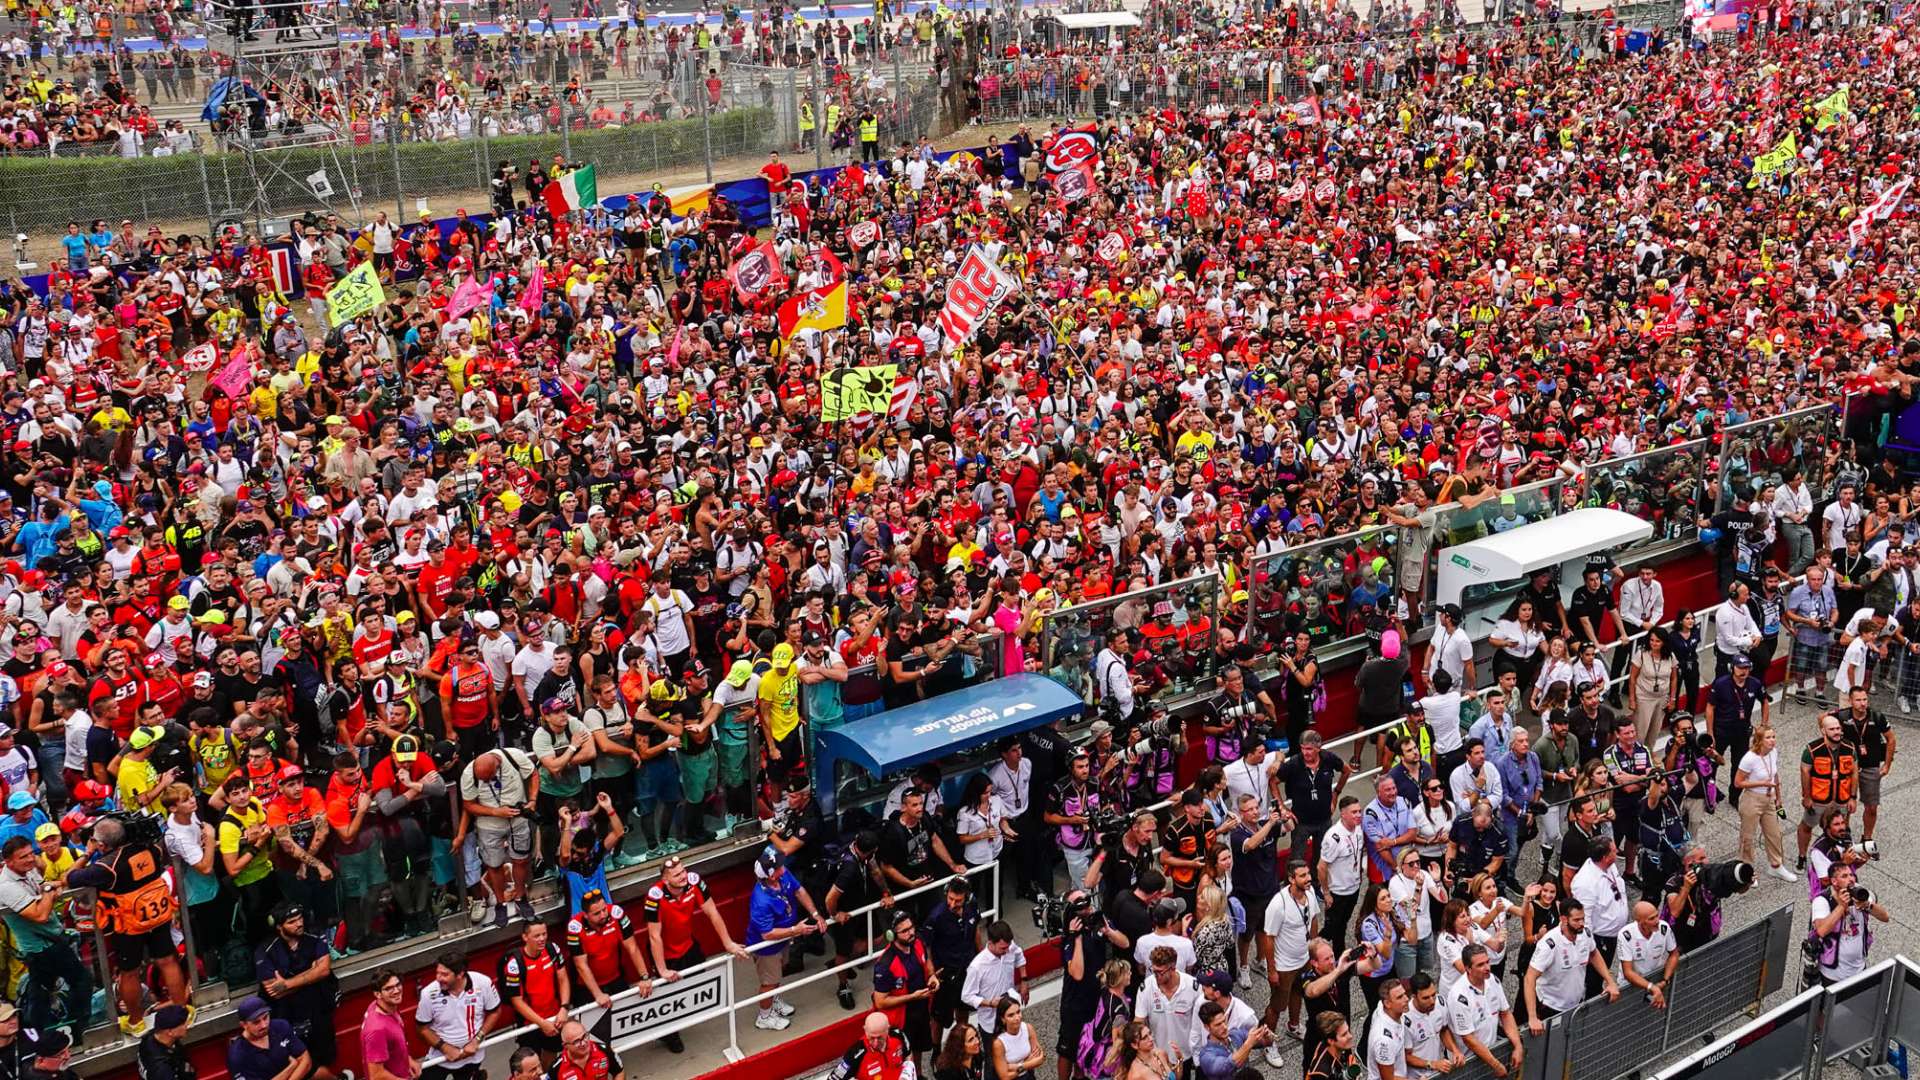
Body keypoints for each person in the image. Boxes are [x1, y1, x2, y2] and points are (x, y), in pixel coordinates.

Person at [61, 816, 189, 1034]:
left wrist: (87, 852)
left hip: (128, 925)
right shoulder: (151, 850)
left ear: (102, 844)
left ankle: (136, 1021)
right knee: (168, 961)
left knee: (129, 973)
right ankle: (182, 1011)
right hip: (157, 916)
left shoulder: (106, 867)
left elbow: (68, 878)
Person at [0, 836, 91, 1038]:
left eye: (31, 853)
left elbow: (46, 886)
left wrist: (49, 889)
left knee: (40, 992)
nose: (31, 859)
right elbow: (40, 914)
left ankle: (39, 1034)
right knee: (81, 980)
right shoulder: (5, 886)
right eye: (23, 857)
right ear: (9, 862)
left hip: (49, 941)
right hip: (42, 948)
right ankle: (79, 1028)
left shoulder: (28, 870)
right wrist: (49, 892)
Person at [745, 845, 828, 1031]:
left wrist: (815, 913)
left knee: (778, 973)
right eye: (780, 866)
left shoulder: (782, 874)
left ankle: (774, 999)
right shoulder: (761, 901)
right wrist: (795, 929)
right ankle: (764, 1016)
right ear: (770, 874)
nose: (784, 867)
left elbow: (799, 891)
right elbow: (767, 934)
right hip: (767, 947)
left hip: (783, 940)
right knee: (769, 982)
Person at [254, 902, 339, 1066]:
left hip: (318, 1012)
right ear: (279, 927)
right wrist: (310, 976)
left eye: (299, 919)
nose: (299, 924)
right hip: (288, 1018)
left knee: (326, 1059)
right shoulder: (265, 950)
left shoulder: (313, 936)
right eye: (292, 922)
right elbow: (274, 991)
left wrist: (288, 983)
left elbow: (323, 971)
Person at [1522, 899, 1618, 1034]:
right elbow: (1529, 978)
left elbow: (1594, 953)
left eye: (1583, 919)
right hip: (1550, 1007)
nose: (1582, 923)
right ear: (1563, 919)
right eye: (1576, 920)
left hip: (1576, 1004)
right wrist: (1532, 1017)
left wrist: (1610, 981)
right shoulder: (1549, 944)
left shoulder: (1585, 934)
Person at [416, 952, 503, 1080]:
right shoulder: (428, 993)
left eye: (444, 974)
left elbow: (495, 1011)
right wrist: (445, 1048)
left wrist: (476, 1040)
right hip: (439, 1058)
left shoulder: (483, 983)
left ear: (460, 974)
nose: (438, 978)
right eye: (437, 973)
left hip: (472, 1057)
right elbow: (422, 1028)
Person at [1444, 945, 1523, 1079]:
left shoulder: (1492, 980)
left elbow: (1505, 1014)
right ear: (1468, 968)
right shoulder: (1459, 996)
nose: (1487, 968)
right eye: (1480, 965)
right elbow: (1468, 1039)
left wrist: (1518, 1046)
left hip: (1491, 1053)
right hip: (1469, 1064)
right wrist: (1496, 1065)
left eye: (1487, 962)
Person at [1831, 687, 1895, 846]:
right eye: (1858, 700)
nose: (1863, 703)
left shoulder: (1877, 717)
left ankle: (1867, 838)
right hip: (1847, 768)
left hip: (1870, 767)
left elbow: (1891, 740)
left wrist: (1887, 765)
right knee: (1844, 806)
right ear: (1851, 701)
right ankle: (1843, 837)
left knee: (1872, 807)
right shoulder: (1842, 716)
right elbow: (1822, 720)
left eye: (1865, 699)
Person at [1798, 713, 1860, 872]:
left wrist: (1853, 797)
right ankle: (1802, 856)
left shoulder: (1850, 747)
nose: (1837, 732)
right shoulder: (1812, 749)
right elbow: (1805, 771)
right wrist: (1807, 797)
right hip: (1819, 800)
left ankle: (1843, 854)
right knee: (1806, 826)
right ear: (1823, 731)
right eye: (1832, 729)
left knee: (1842, 827)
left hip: (1842, 798)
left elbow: (1854, 772)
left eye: (1838, 728)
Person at [1569, 838, 1632, 995]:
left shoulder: (1608, 866)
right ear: (1604, 857)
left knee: (1602, 972)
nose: (1617, 851)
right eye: (1613, 850)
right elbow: (1584, 920)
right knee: (1594, 979)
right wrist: (1591, 949)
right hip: (1600, 940)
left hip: (1612, 935)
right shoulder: (1585, 883)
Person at [1809, 863, 1890, 985]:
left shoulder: (1860, 892)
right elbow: (1821, 930)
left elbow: (1885, 917)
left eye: (1851, 875)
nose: (1851, 878)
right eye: (1844, 876)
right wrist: (1841, 906)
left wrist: (1868, 905)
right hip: (1832, 975)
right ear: (1834, 881)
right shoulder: (1822, 900)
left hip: (1859, 969)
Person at [227, 994, 337, 1080]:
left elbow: (306, 1061)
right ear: (244, 1025)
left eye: (265, 1018)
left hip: (296, 1075)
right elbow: (297, 1062)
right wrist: (292, 1066)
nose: (264, 1025)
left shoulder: (280, 1026)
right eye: (256, 1022)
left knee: (322, 1073)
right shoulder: (238, 1056)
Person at [1134, 944, 1200, 1068]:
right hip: (1156, 1055)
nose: (1155, 975)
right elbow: (1138, 1022)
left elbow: (1201, 1021)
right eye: (1153, 971)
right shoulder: (1146, 987)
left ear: (1173, 968)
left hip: (1185, 1055)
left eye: (1160, 972)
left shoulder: (1193, 987)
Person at [963, 920, 1029, 1035]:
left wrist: (1024, 980)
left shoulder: (1009, 947)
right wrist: (989, 1003)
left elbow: (1019, 954)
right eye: (1003, 948)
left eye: (1008, 947)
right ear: (990, 943)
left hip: (1011, 1019)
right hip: (990, 1023)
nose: (1007, 951)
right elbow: (966, 996)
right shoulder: (977, 966)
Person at [1617, 901, 1680, 1009]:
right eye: (1651, 918)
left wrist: (1665, 980)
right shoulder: (1626, 935)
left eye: (1657, 915)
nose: (1657, 921)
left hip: (1657, 982)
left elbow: (1674, 954)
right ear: (1639, 921)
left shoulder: (1664, 928)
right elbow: (1628, 972)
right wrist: (1651, 987)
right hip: (1631, 986)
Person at [362, 968, 419, 1080]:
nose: (397, 990)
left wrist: (408, 1060)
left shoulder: (383, 1005)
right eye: (389, 989)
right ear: (378, 994)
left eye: (398, 985)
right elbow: (376, 1075)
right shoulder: (377, 1029)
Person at [1192, 999, 1269, 1080]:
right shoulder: (1206, 1056)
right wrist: (1248, 1044)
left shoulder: (1236, 1034)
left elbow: (1265, 1042)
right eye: (1218, 1024)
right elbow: (1229, 1065)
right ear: (1207, 1027)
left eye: (1224, 1021)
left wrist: (1266, 1035)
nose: (1224, 1027)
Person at [830, 1013, 915, 1080]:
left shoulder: (898, 1035)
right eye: (871, 1038)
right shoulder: (855, 1055)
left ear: (887, 1029)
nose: (875, 1043)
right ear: (865, 1030)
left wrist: (907, 1074)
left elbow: (908, 1055)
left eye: (880, 1038)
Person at [991, 996, 1045, 1080]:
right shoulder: (999, 1043)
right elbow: (1005, 1077)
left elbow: (1040, 1058)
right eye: (1011, 1015)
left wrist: (1016, 1066)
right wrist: (1028, 1063)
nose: (1017, 1017)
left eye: (1018, 1012)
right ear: (1003, 1019)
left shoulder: (1028, 1028)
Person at [550, 1020, 624, 1080]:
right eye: (576, 1041)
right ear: (565, 1046)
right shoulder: (556, 1069)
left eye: (585, 1036)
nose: (583, 1043)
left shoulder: (604, 1050)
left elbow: (619, 1072)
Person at [137, 1004, 196, 1080]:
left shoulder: (150, 1037)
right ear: (170, 1032)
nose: (187, 1025)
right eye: (183, 1023)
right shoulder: (162, 1070)